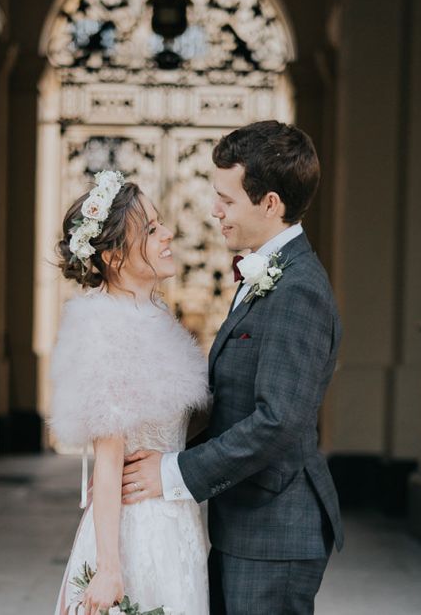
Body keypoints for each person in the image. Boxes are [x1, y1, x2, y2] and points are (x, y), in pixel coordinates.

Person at [122, 120, 344, 615]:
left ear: (270, 203)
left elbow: (278, 419)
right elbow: (233, 398)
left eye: (226, 199)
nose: (214, 211)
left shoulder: (298, 289)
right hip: (247, 521)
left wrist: (175, 472)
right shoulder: (268, 273)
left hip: (275, 531)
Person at [49, 171, 211, 615]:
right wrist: (109, 568)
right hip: (137, 532)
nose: (168, 233)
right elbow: (107, 460)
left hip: (177, 522)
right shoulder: (107, 329)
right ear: (114, 257)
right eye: (152, 229)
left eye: (161, 224)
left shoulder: (154, 318)